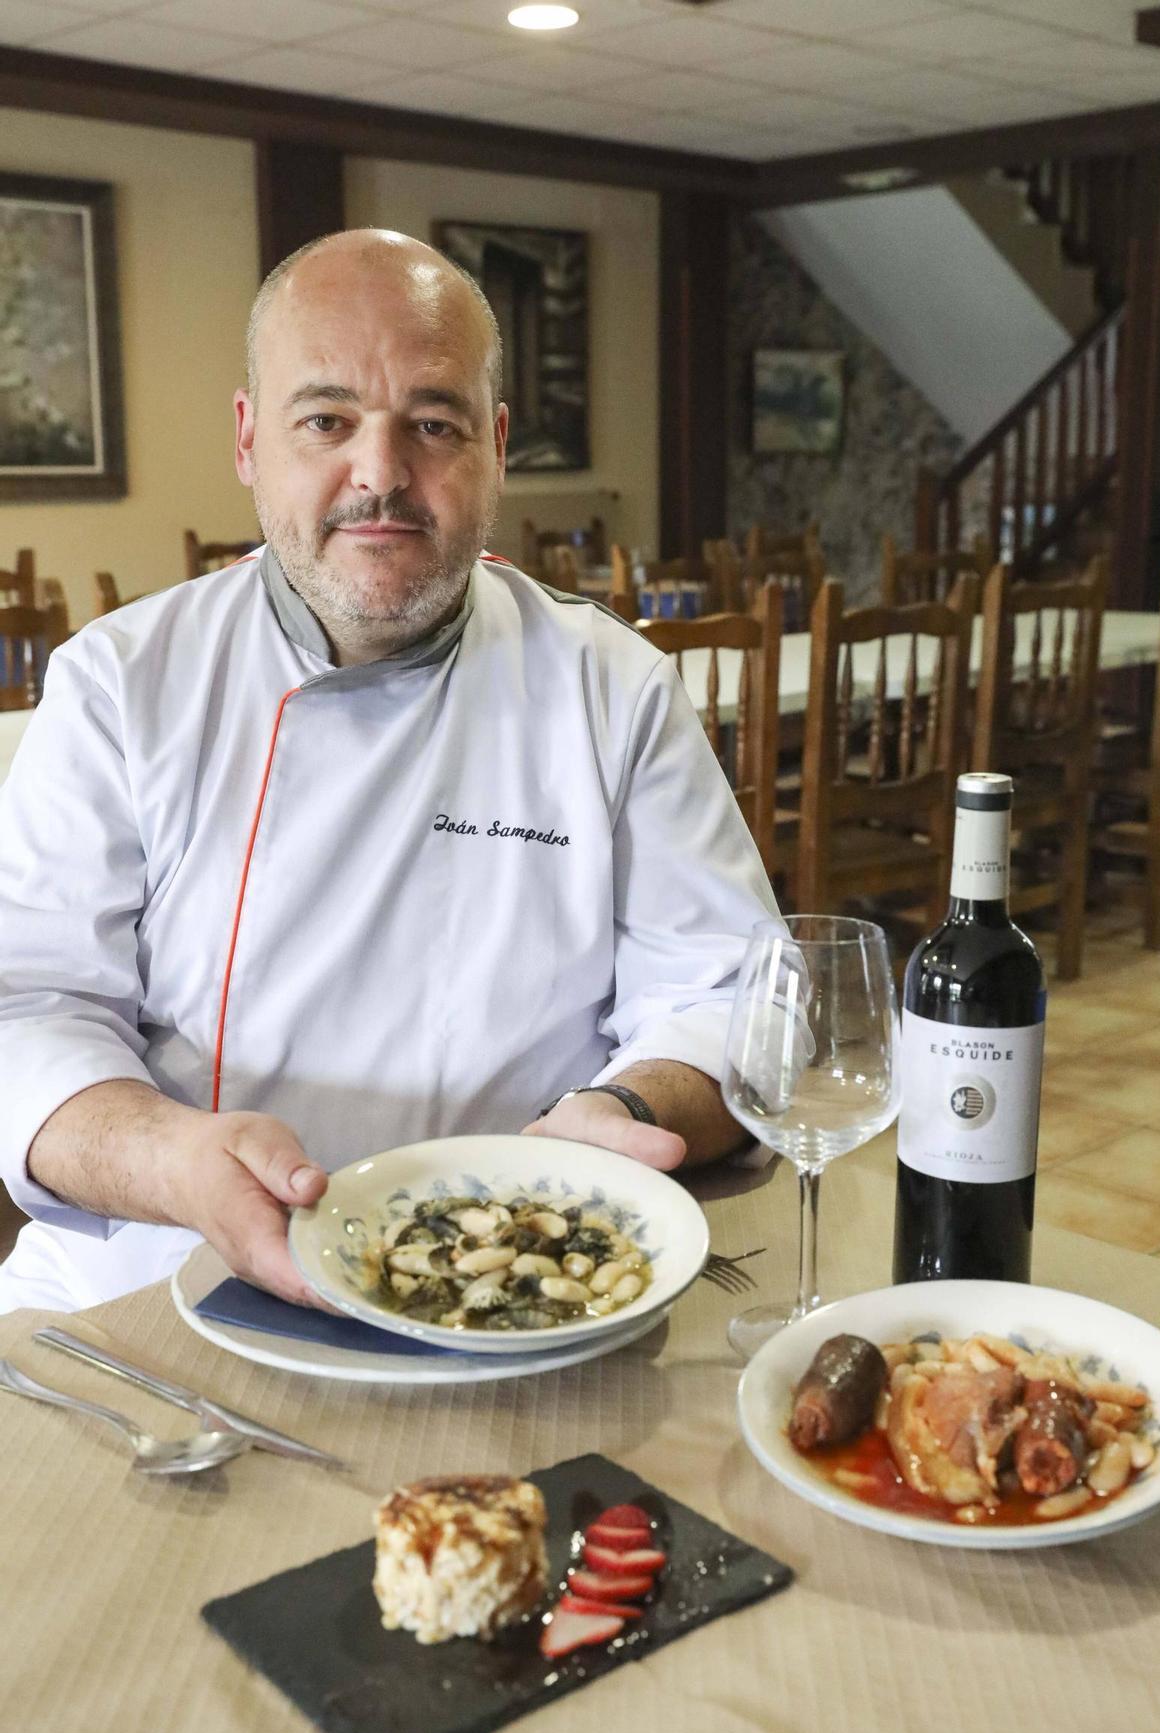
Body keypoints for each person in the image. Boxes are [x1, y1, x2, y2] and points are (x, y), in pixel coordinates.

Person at [0, 229, 777, 1316]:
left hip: (520, 1276)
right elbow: (26, 1006)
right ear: (246, 440)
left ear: (496, 446)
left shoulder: (613, 688)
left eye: (433, 424)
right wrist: (171, 1161)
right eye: (325, 421)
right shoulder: (119, 685)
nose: (380, 474)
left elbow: (729, 995)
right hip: (148, 1280)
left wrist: (621, 1107)